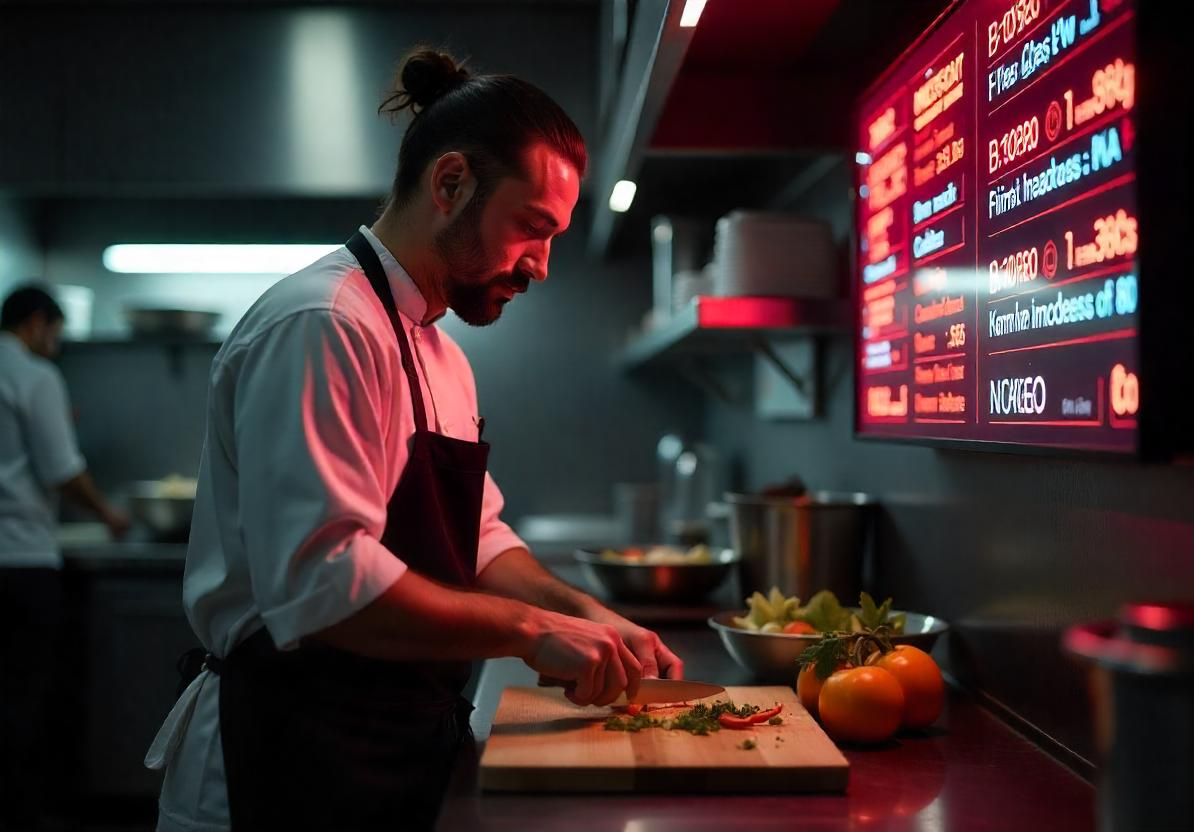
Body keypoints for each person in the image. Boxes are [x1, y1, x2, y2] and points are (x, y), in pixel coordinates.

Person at [146, 48, 684, 831]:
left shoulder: (442, 355)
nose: (540, 264)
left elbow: (483, 541)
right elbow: (323, 586)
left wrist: (587, 614)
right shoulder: (324, 325)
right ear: (451, 184)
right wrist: (534, 633)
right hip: (281, 762)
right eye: (531, 228)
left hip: (392, 748)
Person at [0, 284, 130, 830]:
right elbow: (60, 469)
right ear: (36, 323)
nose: (56, 345)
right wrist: (108, 513)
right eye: (55, 333)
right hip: (23, 560)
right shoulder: (34, 376)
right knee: (26, 694)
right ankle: (22, 813)